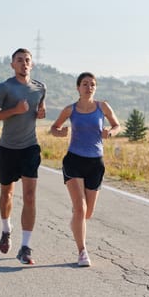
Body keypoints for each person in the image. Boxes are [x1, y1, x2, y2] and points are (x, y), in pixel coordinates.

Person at [50, 72, 120, 267]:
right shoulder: (70, 110)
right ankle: (82, 252)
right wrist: (60, 132)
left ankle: (76, 221)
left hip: (95, 163)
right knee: (80, 208)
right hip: (74, 160)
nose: (89, 87)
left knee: (87, 213)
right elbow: (54, 128)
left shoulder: (102, 107)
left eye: (92, 84)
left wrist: (110, 133)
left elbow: (117, 125)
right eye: (85, 84)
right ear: (78, 88)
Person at [0, 48, 46, 265]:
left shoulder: (40, 88)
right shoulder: (4, 88)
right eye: (19, 60)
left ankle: (25, 247)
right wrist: (14, 110)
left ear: (32, 64)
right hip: (7, 148)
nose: (24, 63)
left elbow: (40, 108)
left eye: (27, 60)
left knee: (29, 197)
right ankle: (5, 228)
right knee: (7, 194)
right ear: (12, 65)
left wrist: (40, 113)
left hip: (30, 147)